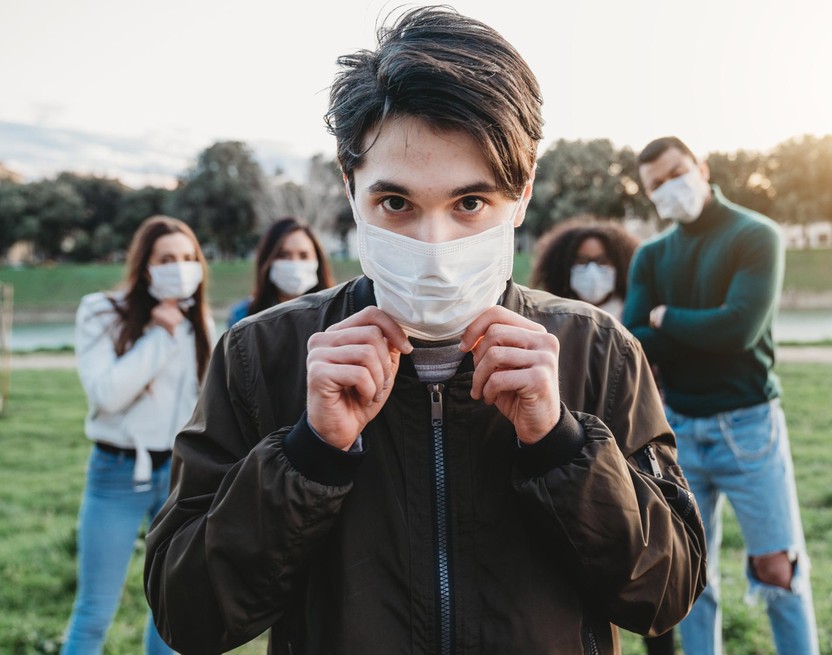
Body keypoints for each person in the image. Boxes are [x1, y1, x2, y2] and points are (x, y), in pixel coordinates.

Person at [144, 9, 705, 654]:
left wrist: (561, 445)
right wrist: (310, 453)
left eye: (470, 203)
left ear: (521, 195)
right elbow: (187, 616)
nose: (434, 245)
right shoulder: (261, 354)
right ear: (351, 188)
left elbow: (665, 594)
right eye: (397, 203)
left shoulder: (597, 350)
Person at [624, 136, 820, 655]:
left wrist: (666, 318)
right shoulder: (651, 256)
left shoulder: (756, 235)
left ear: (702, 167)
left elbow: (739, 330)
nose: (671, 188)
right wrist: (690, 327)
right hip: (679, 428)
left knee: (777, 569)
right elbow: (634, 340)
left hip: (749, 425)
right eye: (656, 185)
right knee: (692, 575)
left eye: (676, 173)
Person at [62, 215, 215, 654]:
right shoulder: (100, 310)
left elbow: (202, 404)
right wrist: (159, 335)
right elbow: (106, 394)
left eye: (188, 258)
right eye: (167, 258)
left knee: (170, 611)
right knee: (94, 610)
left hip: (178, 476)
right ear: (145, 265)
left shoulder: (199, 321)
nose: (180, 267)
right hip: (116, 474)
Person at [532, 220, 677, 655]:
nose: (592, 271)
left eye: (602, 262)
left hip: (634, 442)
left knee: (648, 551)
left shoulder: (633, 320)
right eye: (581, 263)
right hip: (574, 454)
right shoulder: (545, 324)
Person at [226, 217, 335, 327]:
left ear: (318, 260)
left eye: (304, 256)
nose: (294, 264)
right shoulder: (242, 317)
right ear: (267, 260)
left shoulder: (336, 313)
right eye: (283, 255)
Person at [530, 220, 639, 320]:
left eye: (602, 261)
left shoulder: (634, 316)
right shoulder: (549, 316)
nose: (592, 270)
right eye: (582, 261)